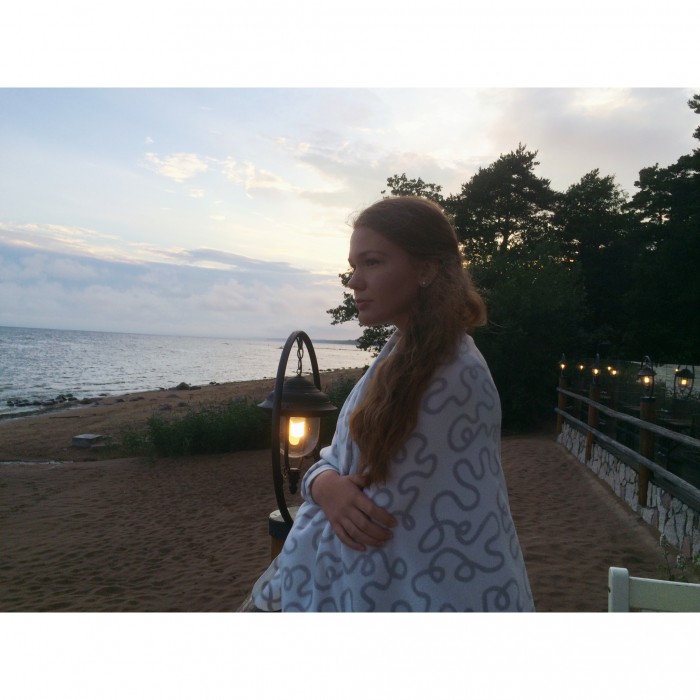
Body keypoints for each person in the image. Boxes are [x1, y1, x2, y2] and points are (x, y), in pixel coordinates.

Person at [251, 195, 534, 612]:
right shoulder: (405, 353)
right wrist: (323, 485)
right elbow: (338, 465)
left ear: (426, 269)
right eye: (353, 266)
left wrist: (324, 485)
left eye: (372, 262)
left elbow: (366, 520)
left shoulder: (451, 376)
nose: (354, 282)